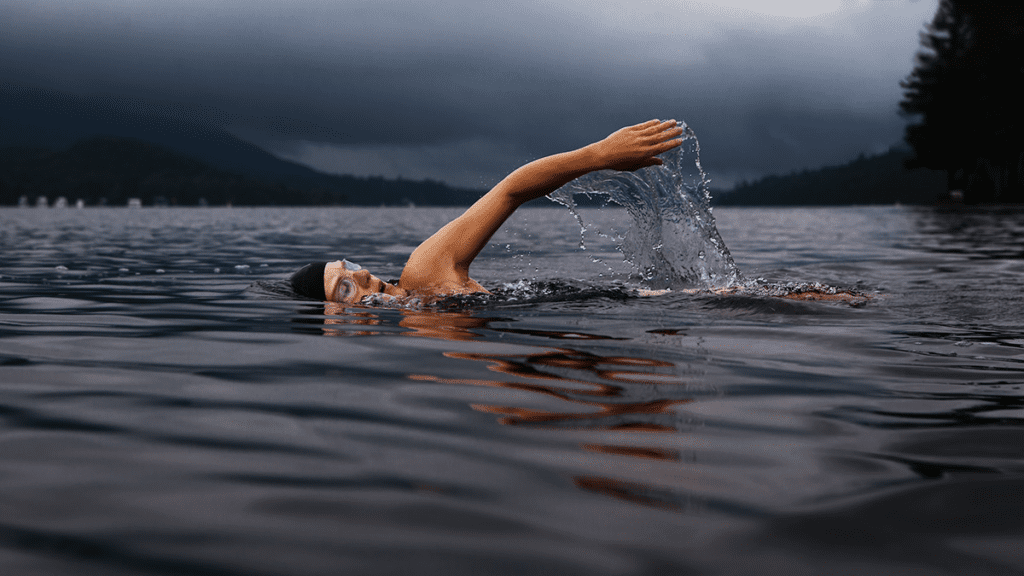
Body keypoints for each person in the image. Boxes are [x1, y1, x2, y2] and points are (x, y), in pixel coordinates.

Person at [290, 119, 685, 304]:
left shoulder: (425, 271)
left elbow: (509, 191)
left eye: (349, 266)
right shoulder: (420, 338)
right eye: (345, 287)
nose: (360, 274)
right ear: (335, 322)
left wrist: (598, 155)